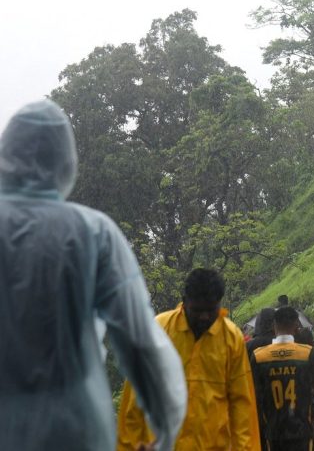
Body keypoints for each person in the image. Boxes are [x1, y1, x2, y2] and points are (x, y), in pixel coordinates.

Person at [0, 100, 186, 451]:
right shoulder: (92, 233)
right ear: (65, 160)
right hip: (75, 431)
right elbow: (139, 342)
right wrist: (164, 432)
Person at [117, 268, 260, 451]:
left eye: (211, 310)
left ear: (219, 304)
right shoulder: (159, 330)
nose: (204, 317)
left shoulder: (232, 338)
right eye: (197, 310)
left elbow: (242, 405)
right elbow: (135, 396)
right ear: (184, 302)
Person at [251, 307, 314, 451]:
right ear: (297, 326)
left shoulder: (259, 356)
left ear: (274, 326)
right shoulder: (306, 353)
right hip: (301, 429)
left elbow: (253, 396)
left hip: (273, 431)